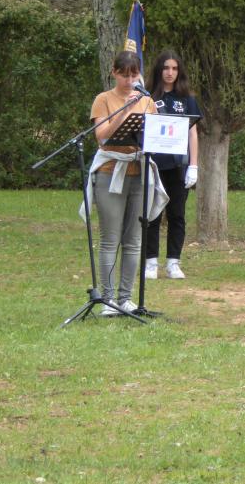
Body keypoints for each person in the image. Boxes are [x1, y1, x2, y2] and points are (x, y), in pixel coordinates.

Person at [87, 51, 164, 316]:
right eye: (124, 75)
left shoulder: (147, 100)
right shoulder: (104, 99)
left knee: (134, 240)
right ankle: (108, 300)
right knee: (110, 239)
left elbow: (156, 134)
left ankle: (126, 298)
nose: (129, 80)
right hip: (111, 171)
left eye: (134, 75)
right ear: (114, 72)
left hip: (139, 171)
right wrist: (127, 109)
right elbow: (102, 136)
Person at [144, 51, 202, 279]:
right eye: (166, 68)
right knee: (152, 214)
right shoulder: (147, 96)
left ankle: (173, 262)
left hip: (178, 165)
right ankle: (150, 263)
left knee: (177, 214)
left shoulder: (186, 98)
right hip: (153, 165)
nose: (170, 73)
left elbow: (192, 133)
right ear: (159, 70)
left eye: (174, 68)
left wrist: (193, 165)